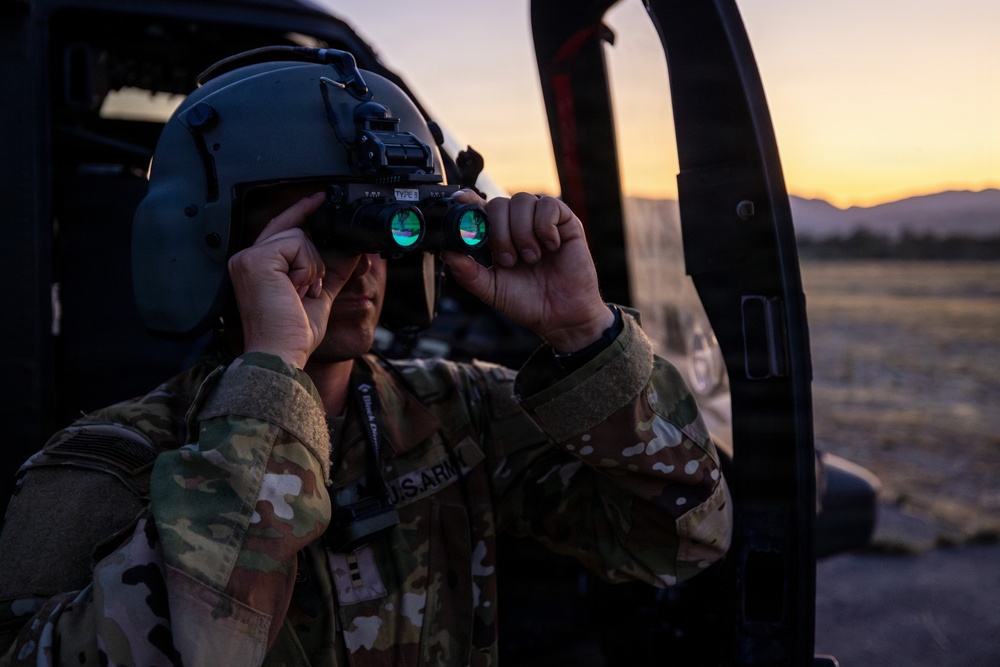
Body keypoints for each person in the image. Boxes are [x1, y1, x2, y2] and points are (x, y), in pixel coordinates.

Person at [0, 48, 730, 665]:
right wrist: (273, 378)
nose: (363, 265)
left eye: (383, 225)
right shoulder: (103, 469)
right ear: (215, 243)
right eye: (325, 228)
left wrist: (584, 334)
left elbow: (688, 533)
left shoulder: (457, 415)